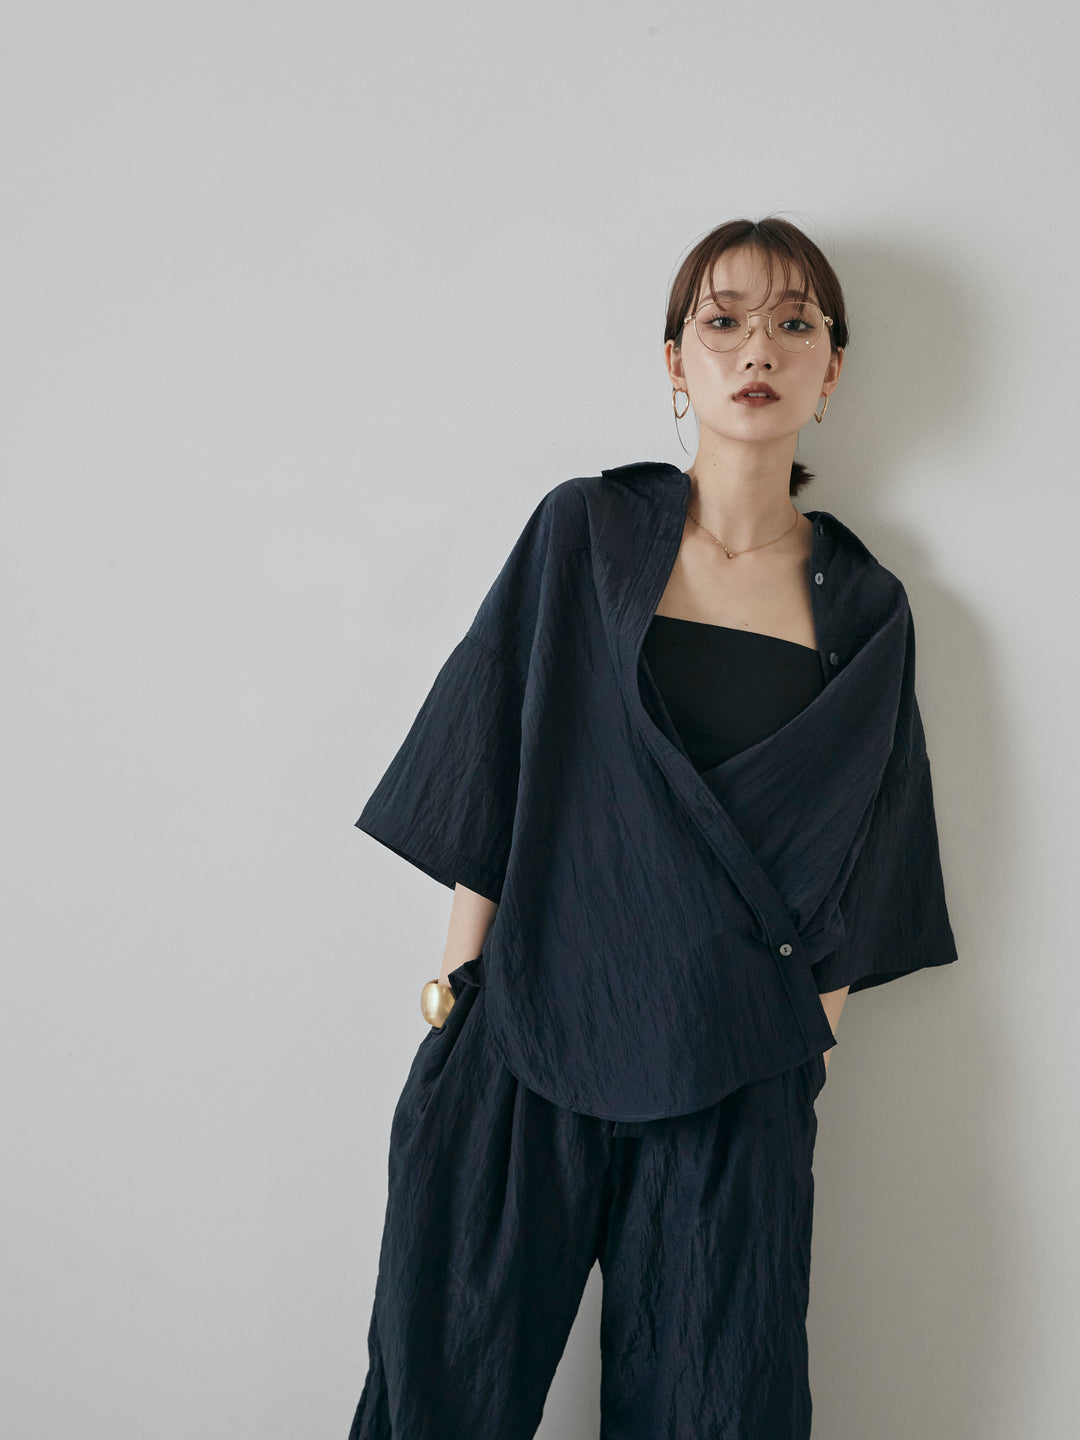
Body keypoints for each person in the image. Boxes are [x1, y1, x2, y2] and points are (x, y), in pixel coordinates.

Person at [346, 217, 958, 1440]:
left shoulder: (866, 610)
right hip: (523, 1043)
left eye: (794, 324)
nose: (758, 350)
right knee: (438, 1400)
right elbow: (490, 764)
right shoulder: (586, 534)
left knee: (716, 1413)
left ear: (832, 370)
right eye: (722, 321)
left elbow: (866, 863)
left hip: (732, 1074)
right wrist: (458, 1002)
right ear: (675, 362)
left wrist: (799, 1055)